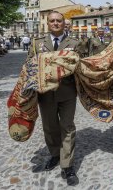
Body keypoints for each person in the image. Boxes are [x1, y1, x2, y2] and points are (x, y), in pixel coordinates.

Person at [28, 11, 80, 186]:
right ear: (47, 24)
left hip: (67, 93)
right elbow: (29, 66)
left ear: (64, 23)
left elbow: (81, 67)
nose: (56, 23)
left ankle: (67, 165)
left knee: (67, 127)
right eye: (52, 21)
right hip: (46, 94)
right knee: (50, 127)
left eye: (59, 20)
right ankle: (55, 154)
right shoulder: (37, 44)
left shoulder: (74, 43)